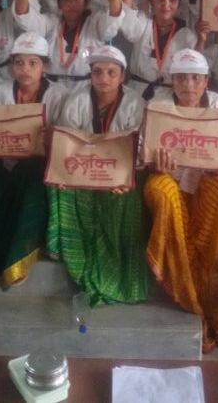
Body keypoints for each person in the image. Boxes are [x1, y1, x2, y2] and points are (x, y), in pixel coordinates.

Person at [143, 48, 218, 352]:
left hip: (207, 182)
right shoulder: (158, 108)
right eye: (181, 78)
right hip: (172, 181)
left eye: (195, 78)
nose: (188, 85)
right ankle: (187, 296)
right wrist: (155, 164)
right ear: (172, 81)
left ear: (205, 82)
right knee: (161, 190)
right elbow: (144, 157)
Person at [0, 32, 65, 289]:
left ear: (44, 66)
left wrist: (54, 137)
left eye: (32, 63)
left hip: (35, 166)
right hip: (3, 162)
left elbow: (66, 142)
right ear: (11, 66)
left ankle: (16, 259)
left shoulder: (58, 95)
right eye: (19, 63)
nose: (25, 69)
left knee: (34, 168)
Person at [48, 45, 148, 306]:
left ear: (122, 76)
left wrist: (121, 177)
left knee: (129, 194)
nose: (104, 78)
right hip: (83, 170)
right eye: (97, 72)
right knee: (56, 185)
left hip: (120, 173)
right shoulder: (77, 100)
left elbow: (138, 148)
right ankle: (68, 247)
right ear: (90, 74)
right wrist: (67, 173)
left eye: (111, 73)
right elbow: (66, 143)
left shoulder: (135, 103)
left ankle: (116, 265)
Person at [13, 0, 123, 85]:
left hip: (85, 87)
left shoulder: (95, 23)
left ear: (86, 2)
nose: (71, 3)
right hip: (51, 86)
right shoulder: (52, 23)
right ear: (59, 4)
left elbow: (114, 16)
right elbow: (24, 16)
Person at [118, 0, 198, 99]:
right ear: (151, 2)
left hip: (170, 95)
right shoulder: (143, 23)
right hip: (137, 92)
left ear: (179, 4)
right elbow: (128, 25)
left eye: (172, 0)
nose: (166, 5)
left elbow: (194, 67)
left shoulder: (188, 35)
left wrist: (202, 39)